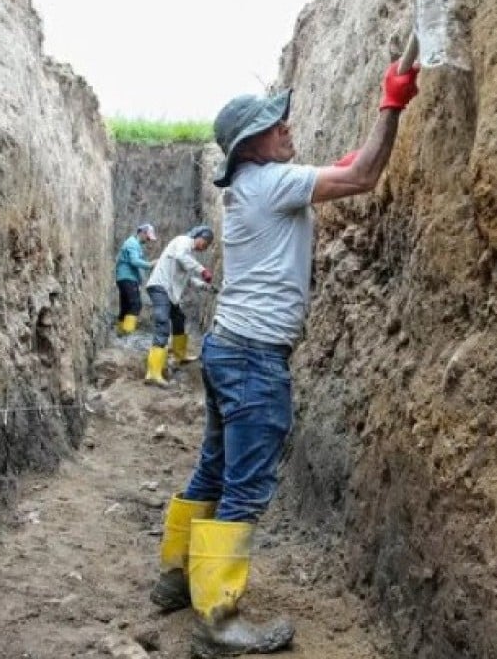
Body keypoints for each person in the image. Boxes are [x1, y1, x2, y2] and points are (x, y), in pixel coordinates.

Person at [149, 59, 420, 658]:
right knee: (246, 486)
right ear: (252, 146)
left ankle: (175, 578)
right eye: (277, 126)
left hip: (228, 349)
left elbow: (342, 168)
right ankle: (218, 620)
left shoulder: (255, 186)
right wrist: (392, 105)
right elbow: (364, 176)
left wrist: (377, 122)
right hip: (253, 359)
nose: (288, 128)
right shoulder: (271, 183)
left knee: (213, 469)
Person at [144, 225, 215, 386]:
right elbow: (181, 257)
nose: (205, 246)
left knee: (178, 319)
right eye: (205, 242)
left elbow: (189, 278)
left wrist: (205, 286)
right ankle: (153, 373)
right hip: (160, 287)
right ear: (198, 236)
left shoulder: (187, 254)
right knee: (163, 324)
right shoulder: (182, 241)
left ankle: (179, 355)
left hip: (168, 292)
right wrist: (202, 270)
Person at [114, 223, 157, 336]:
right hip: (128, 277)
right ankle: (127, 333)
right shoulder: (132, 244)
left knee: (125, 306)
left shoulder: (133, 243)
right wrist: (150, 265)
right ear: (142, 233)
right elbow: (134, 261)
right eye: (147, 238)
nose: (148, 240)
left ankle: (120, 332)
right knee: (135, 305)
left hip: (123, 277)